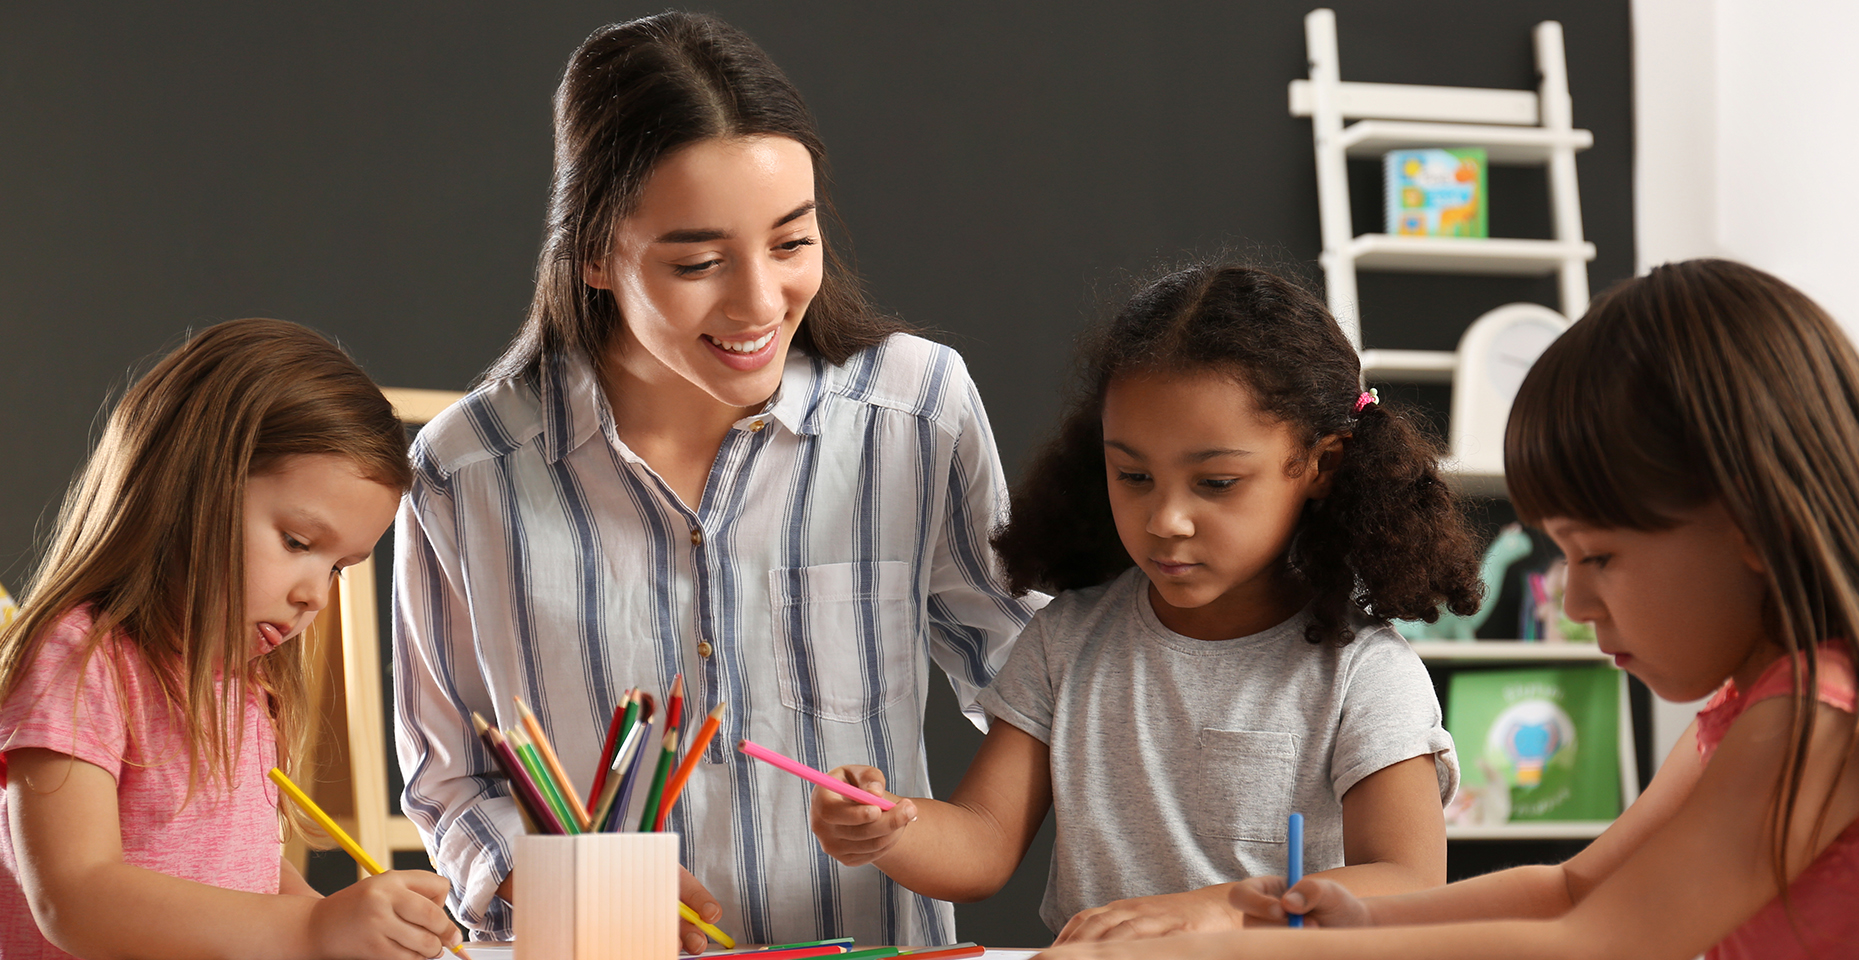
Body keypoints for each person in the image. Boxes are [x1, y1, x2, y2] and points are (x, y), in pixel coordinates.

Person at [1034, 258, 1859, 960]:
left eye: (1600, 555)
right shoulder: (1757, 712)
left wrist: (1222, 947)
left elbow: (1603, 943)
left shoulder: (1826, 715)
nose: (1573, 600)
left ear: (1751, 526)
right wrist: (1360, 923)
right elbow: (1572, 890)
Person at [391, 11, 1037, 950]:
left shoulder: (916, 408)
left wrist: (943, 835)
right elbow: (452, 782)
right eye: (697, 262)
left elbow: (1031, 675)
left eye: (791, 242)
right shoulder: (464, 471)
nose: (758, 302)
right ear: (593, 256)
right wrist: (569, 896)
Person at [810, 262, 1482, 942]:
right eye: (1133, 475)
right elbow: (983, 843)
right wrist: (891, 825)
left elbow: (1407, 879)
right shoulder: (1066, 640)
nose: (1166, 519)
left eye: (1216, 482)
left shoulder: (1363, 674)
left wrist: (1217, 909)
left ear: (1320, 464)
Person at [0, 318, 458, 960]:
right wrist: (310, 933)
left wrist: (336, 921)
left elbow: (242, 871)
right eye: (298, 543)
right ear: (190, 485)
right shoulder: (79, 660)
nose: (314, 595)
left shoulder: (245, 686)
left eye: (338, 569)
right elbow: (75, 899)